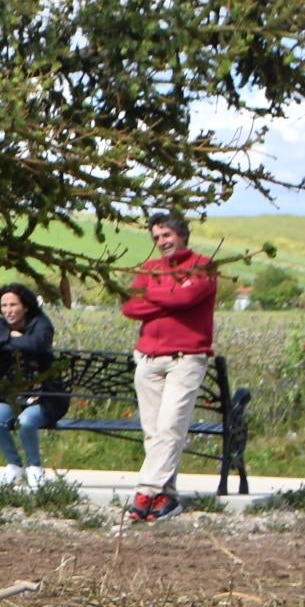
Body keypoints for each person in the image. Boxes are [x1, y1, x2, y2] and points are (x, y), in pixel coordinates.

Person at [120, 210, 219, 521]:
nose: (161, 242)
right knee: (154, 432)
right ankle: (167, 497)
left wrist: (154, 294)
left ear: (181, 235)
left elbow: (185, 300)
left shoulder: (203, 266)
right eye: (156, 237)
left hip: (185, 358)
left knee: (171, 427)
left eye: (166, 235)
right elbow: (130, 306)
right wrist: (170, 292)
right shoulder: (149, 268)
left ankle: (145, 492)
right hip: (148, 358)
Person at [0, 283, 68, 485]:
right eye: (4, 305)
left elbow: (36, 344)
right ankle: (14, 466)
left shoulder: (41, 323)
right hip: (10, 396)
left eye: (13, 305)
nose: (8, 310)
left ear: (25, 306)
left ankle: (34, 468)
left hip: (45, 397)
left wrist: (0, 341)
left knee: (26, 421)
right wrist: (9, 336)